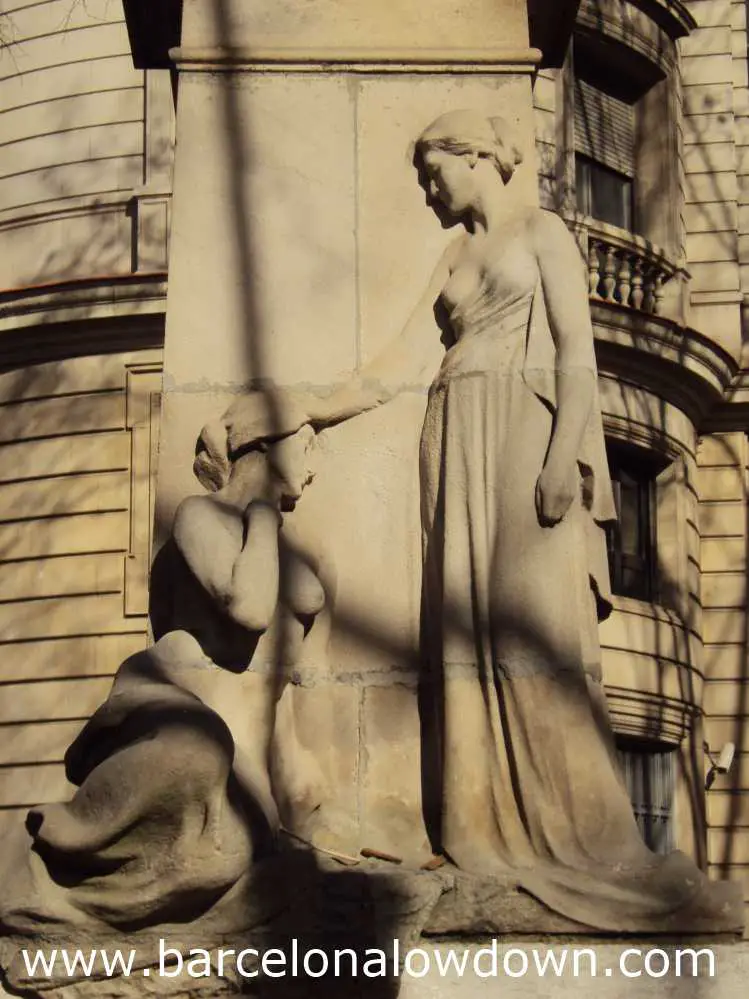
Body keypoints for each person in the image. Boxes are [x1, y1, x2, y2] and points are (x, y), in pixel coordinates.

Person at [304, 109, 738, 930]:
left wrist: (560, 455)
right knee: (467, 635)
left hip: (519, 430)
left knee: (533, 635)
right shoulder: (452, 257)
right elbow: (396, 365)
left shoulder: (542, 234)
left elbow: (578, 355)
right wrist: (307, 408)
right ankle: (480, 830)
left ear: (478, 156)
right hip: (453, 435)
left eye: (437, 171)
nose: (430, 190)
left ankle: (577, 837)